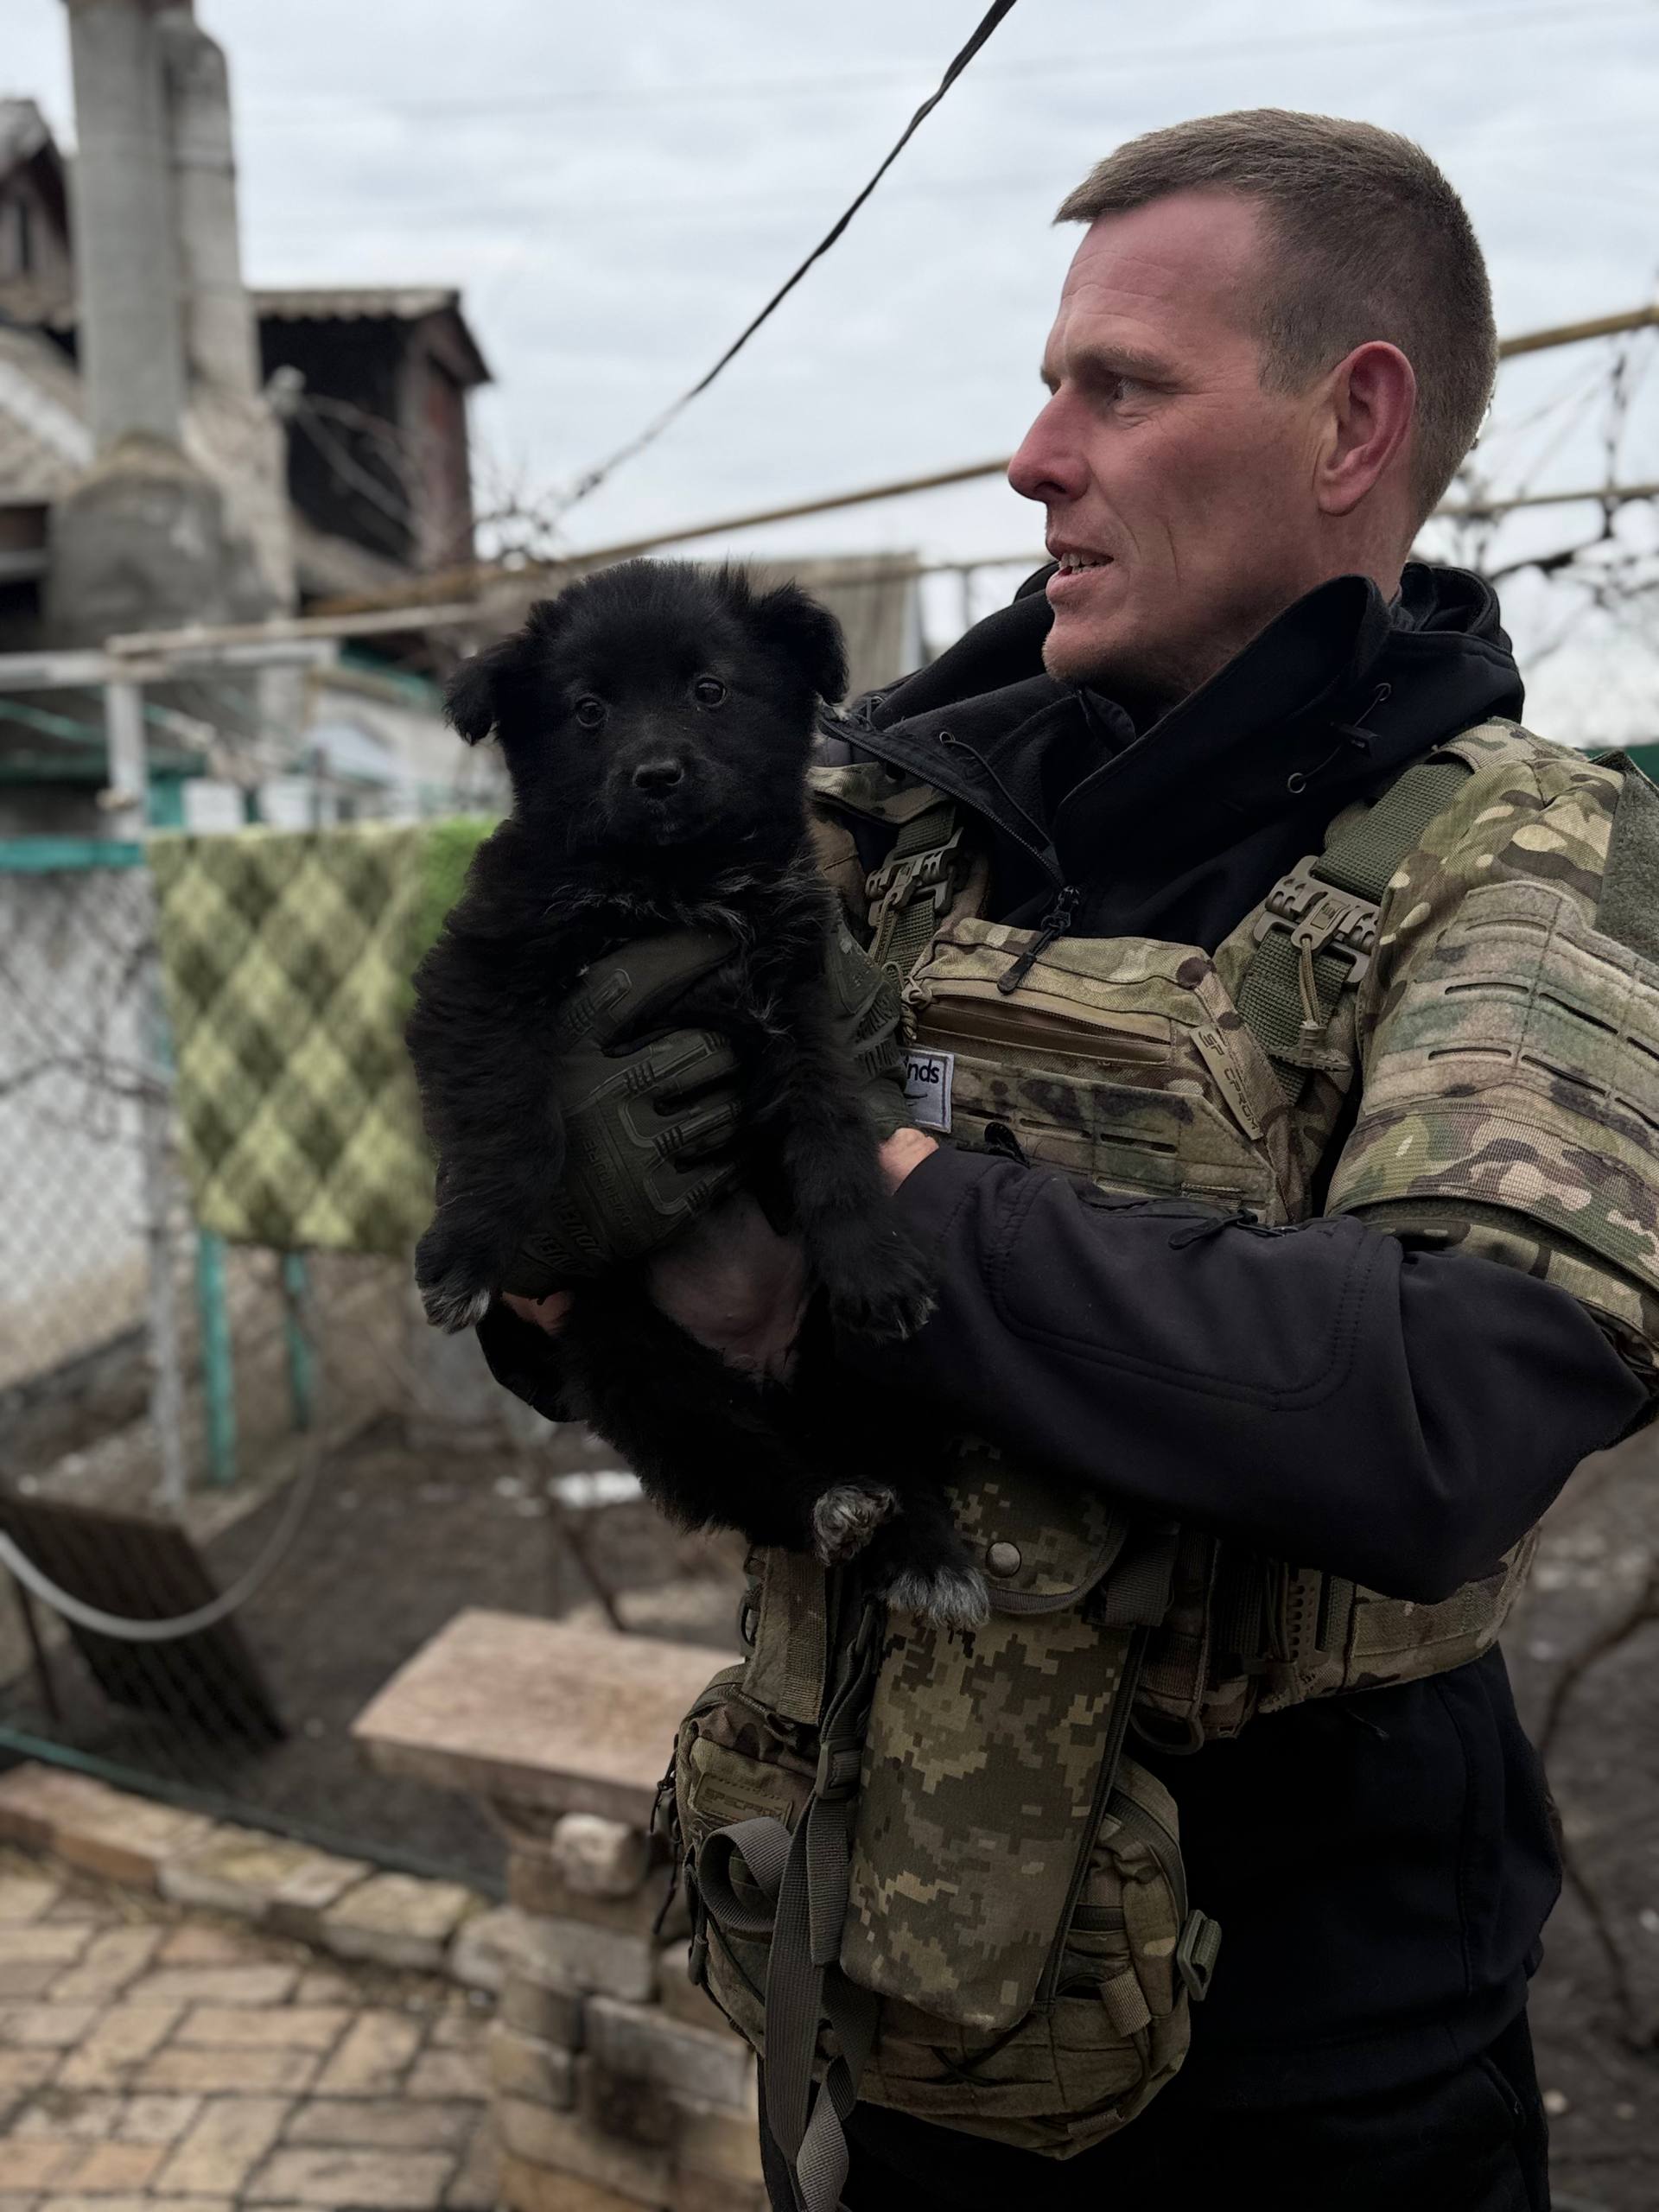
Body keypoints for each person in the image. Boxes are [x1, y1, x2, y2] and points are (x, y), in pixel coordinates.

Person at [475, 111, 1659, 2212]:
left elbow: (1446, 1400)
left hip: (1313, 2071)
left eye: (1119, 385)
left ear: (1351, 422)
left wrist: (888, 1199)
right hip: (888, 1976)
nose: (1034, 456)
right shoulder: (888, 827)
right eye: (1050, 385)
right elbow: (570, 1293)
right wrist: (558, 1240)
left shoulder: (1523, 857)